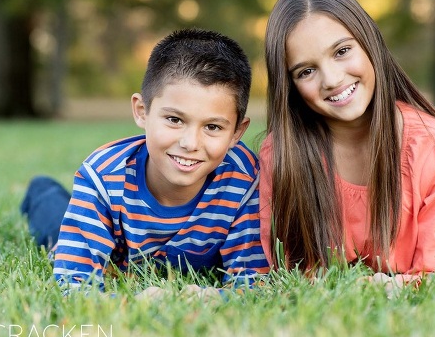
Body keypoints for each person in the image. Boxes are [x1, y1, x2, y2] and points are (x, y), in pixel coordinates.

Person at [258, 0, 435, 289]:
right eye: (306, 71)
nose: (332, 79)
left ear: (369, 42)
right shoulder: (280, 156)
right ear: (290, 86)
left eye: (342, 51)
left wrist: (378, 289)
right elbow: (269, 275)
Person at [21, 28, 270, 294]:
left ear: (236, 132)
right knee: (54, 227)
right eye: (174, 120)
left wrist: (213, 298)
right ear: (142, 112)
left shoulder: (245, 181)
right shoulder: (102, 177)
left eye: (212, 127)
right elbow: (74, 283)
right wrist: (134, 302)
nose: (190, 143)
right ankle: (42, 191)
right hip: (96, 232)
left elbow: (251, 282)